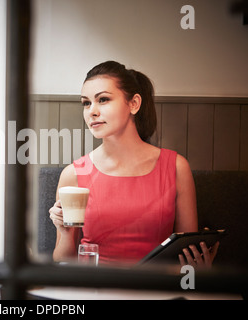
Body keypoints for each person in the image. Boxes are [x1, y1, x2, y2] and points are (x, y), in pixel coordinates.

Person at [49, 61, 219, 269]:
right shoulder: (73, 174)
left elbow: (184, 254)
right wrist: (65, 233)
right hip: (96, 289)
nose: (91, 111)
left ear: (134, 104)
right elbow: (63, 261)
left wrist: (196, 267)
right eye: (86, 103)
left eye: (103, 99)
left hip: (155, 288)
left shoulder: (176, 167)